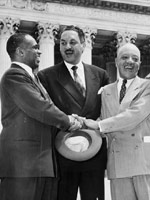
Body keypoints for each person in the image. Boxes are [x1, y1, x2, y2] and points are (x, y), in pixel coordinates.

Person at [0, 33, 81, 200]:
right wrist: (68, 121)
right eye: (35, 48)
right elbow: (41, 108)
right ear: (20, 52)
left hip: (41, 164)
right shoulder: (13, 76)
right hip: (23, 167)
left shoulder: (33, 78)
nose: (40, 51)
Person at [38, 25, 109, 200]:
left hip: (93, 154)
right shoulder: (46, 76)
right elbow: (46, 112)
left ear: (83, 45)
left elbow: (106, 111)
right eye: (63, 43)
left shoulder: (101, 75)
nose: (67, 47)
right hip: (63, 155)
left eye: (72, 42)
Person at [80, 43, 150, 200]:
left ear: (140, 63)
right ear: (116, 61)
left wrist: (98, 125)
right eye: (125, 57)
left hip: (144, 163)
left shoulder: (147, 86)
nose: (130, 61)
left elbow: (134, 115)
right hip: (117, 164)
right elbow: (106, 120)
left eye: (135, 58)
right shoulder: (106, 91)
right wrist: (81, 123)